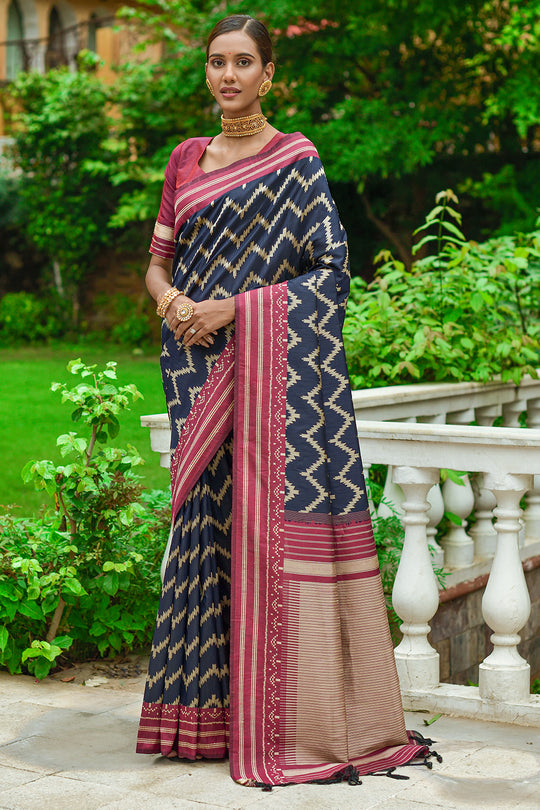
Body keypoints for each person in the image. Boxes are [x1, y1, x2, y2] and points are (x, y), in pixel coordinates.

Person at [136, 13, 435, 787]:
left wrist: (234, 310)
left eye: (243, 63)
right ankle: (202, 724)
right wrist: (173, 304)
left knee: (264, 533)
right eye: (216, 63)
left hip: (271, 382)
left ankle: (286, 718)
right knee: (206, 531)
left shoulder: (296, 161)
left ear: (269, 74)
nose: (227, 76)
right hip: (196, 372)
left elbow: (331, 275)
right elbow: (158, 264)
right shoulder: (184, 159)